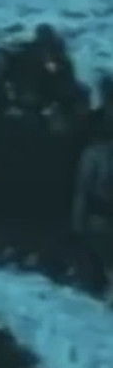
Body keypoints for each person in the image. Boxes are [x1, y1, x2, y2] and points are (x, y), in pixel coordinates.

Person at [72, 127, 113, 301]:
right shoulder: (95, 154)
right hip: (101, 217)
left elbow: (83, 190)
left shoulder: (94, 154)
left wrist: (78, 222)